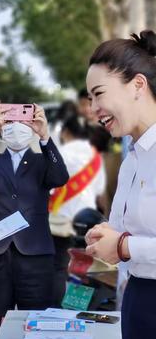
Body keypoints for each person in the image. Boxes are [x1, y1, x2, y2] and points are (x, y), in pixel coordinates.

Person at [85, 29, 156, 339]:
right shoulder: (131, 157)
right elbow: (120, 228)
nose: (93, 108)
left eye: (98, 93)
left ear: (138, 86)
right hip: (138, 308)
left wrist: (125, 246)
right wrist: (107, 238)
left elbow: (129, 243)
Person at [0, 105, 69, 339]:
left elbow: (60, 177)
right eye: (10, 121)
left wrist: (45, 137)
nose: (16, 127)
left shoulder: (42, 160)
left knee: (38, 324)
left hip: (36, 257)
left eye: (22, 120)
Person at [49, 115, 106, 305]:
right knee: (85, 267)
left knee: (59, 267)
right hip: (87, 222)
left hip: (59, 222)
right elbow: (99, 190)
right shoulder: (95, 157)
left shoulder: (59, 153)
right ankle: (81, 307)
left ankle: (57, 307)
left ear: (65, 132)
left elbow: (48, 188)